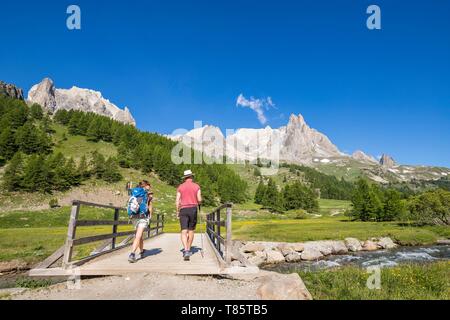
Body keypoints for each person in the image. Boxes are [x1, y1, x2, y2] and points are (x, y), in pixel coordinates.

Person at [176, 170, 202, 261]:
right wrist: (199, 202)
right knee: (191, 230)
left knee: (183, 231)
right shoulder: (196, 186)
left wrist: (177, 211)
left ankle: (185, 250)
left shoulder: (180, 187)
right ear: (192, 177)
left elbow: (177, 200)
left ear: (185, 178)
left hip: (183, 209)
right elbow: (199, 199)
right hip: (193, 209)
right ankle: (189, 249)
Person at [128, 180, 153, 263]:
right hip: (142, 217)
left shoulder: (134, 192)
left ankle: (142, 251)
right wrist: (150, 216)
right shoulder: (146, 194)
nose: (150, 187)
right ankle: (132, 254)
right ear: (145, 185)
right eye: (149, 185)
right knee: (138, 235)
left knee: (139, 235)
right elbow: (149, 206)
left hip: (134, 216)